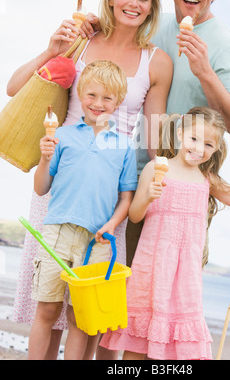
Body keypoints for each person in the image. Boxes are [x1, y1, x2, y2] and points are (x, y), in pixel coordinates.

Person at [8, 0, 173, 359]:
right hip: (61, 176)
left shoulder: (157, 61)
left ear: (152, 9)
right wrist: (52, 48)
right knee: (46, 304)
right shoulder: (81, 40)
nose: (133, 4)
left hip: (107, 193)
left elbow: (155, 138)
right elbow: (16, 88)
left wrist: (174, 182)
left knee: (87, 311)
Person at [79, 0, 230, 266]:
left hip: (183, 186)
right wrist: (92, 24)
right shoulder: (152, 26)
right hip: (127, 179)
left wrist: (205, 73)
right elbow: (114, 39)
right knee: (118, 286)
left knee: (169, 288)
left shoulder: (227, 45)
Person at [100, 107, 230, 360]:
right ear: (181, 134)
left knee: (171, 350)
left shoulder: (207, 178)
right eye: (194, 139)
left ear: (216, 149)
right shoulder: (155, 168)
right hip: (152, 268)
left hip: (185, 277)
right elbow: (135, 215)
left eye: (208, 144)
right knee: (137, 346)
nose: (198, 148)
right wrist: (149, 196)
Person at [28, 61, 138, 360]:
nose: (98, 104)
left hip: (97, 241)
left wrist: (111, 225)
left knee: (82, 318)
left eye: (107, 98)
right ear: (80, 93)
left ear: (118, 102)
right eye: (91, 95)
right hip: (57, 232)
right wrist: (43, 158)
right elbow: (41, 187)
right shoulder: (62, 135)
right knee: (47, 309)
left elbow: (126, 198)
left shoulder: (125, 146)